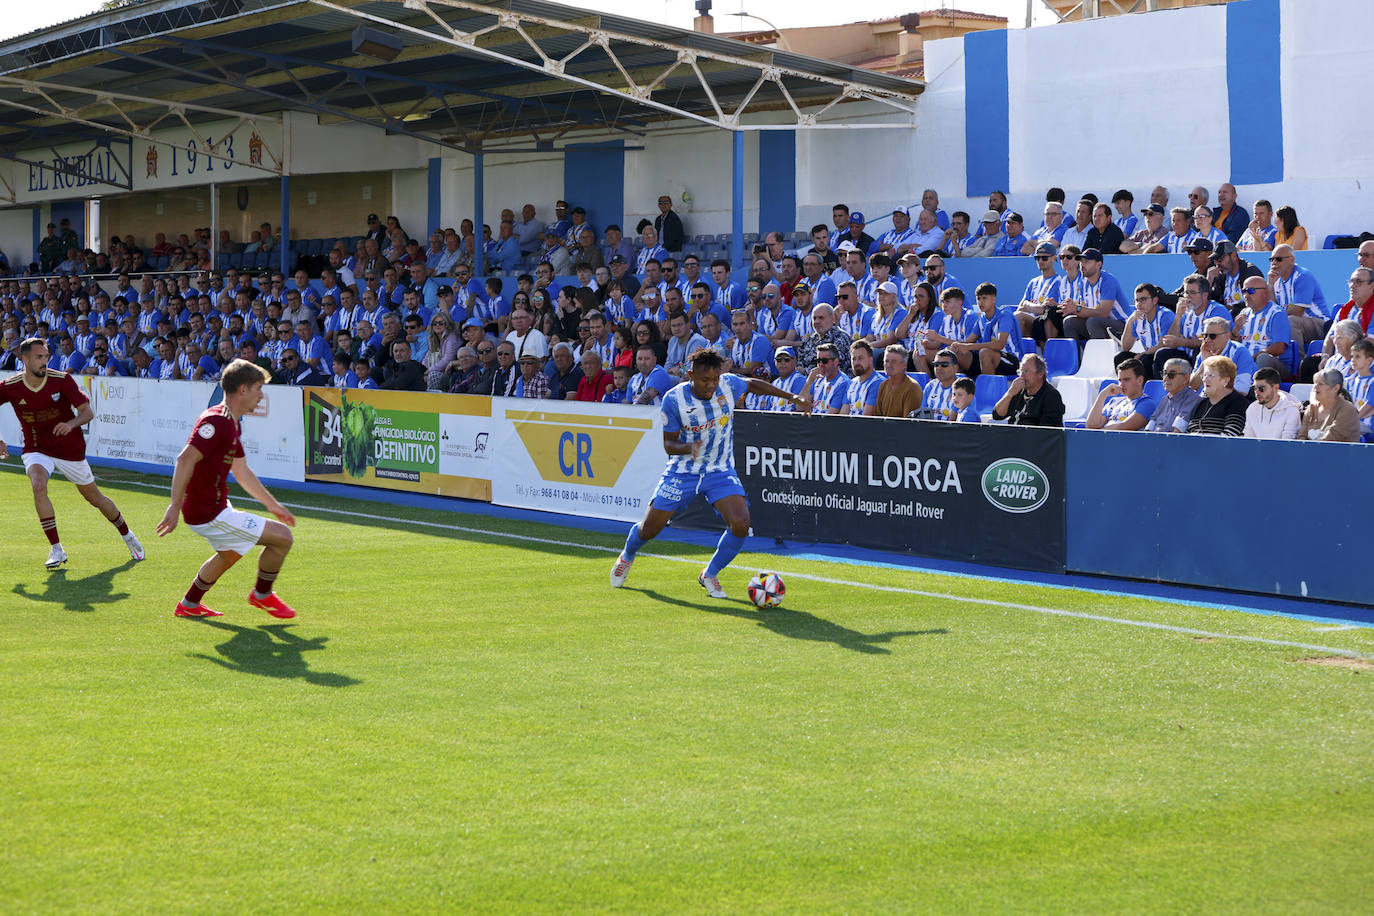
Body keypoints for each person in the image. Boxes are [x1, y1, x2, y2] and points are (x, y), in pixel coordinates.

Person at [609, 348, 810, 599]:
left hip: (719, 469)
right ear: (691, 375)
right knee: (649, 529)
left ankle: (710, 574)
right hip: (683, 471)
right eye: (705, 380)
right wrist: (687, 447)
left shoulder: (727, 385)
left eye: (715, 379)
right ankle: (627, 556)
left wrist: (794, 397)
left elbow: (753, 385)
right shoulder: (674, 400)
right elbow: (668, 444)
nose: (711, 385)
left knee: (741, 523)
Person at [156, 360, 297, 619]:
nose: (261, 395)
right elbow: (185, 458)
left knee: (229, 554)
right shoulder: (217, 421)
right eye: (257, 388)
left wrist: (273, 505)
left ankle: (188, 605)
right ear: (242, 390)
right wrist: (174, 506)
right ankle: (262, 595)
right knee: (282, 538)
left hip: (216, 507)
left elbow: (241, 471)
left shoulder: (232, 422)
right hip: (208, 513)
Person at [0, 338, 144, 568]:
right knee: (38, 484)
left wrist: (71, 424)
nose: (44, 362)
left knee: (94, 498)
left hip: (69, 449)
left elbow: (87, 412)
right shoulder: (10, 385)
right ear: (24, 359)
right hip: (36, 446)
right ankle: (56, 549)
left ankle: (128, 535)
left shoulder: (62, 380)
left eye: (46, 356)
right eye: (39, 357)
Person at [1267, 244, 1328, 355]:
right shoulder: (1276, 281)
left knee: (1291, 321)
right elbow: (1273, 309)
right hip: (1299, 324)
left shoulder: (1302, 276)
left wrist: (1276, 318)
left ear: (1291, 260)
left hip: (1319, 323)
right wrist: (1270, 286)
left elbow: (1297, 311)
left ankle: (1298, 360)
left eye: (1278, 259)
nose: (1274, 263)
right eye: (1271, 259)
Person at [1061, 248, 1129, 342]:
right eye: (1081, 261)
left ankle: (1101, 355)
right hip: (1100, 324)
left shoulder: (1107, 281)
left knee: (1093, 322)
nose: (1082, 265)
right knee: (1069, 321)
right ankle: (1076, 356)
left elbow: (1104, 313)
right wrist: (1070, 309)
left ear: (1098, 265)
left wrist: (1077, 308)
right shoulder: (1082, 283)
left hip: (1123, 326)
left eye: (1087, 261)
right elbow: (1085, 311)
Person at [1116, 284, 1176, 379]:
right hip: (1148, 355)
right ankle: (1126, 387)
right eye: (1136, 300)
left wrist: (1141, 355)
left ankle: (1150, 390)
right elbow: (1126, 346)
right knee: (1121, 357)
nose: (1139, 304)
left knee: (1145, 359)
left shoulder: (1165, 315)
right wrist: (1130, 320)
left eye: (1143, 299)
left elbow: (1163, 344)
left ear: (1155, 300)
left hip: (1168, 354)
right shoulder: (1137, 317)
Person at [1234, 278, 1291, 376]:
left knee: (1263, 358)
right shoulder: (1243, 313)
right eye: (1244, 291)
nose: (1246, 295)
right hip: (1245, 363)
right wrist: (1236, 329)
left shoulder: (1276, 313)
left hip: (1272, 365)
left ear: (1265, 292)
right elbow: (1233, 344)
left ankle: (1254, 388)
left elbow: (1279, 348)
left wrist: (1252, 358)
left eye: (1251, 291)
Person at [990, 353, 1064, 426]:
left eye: (1026, 371)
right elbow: (997, 415)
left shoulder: (1051, 396)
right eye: (1020, 372)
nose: (1022, 376)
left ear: (1040, 374)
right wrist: (1010, 393)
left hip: (1031, 436)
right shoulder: (1018, 390)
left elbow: (1047, 431)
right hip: (1012, 435)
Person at [1086, 358, 1156, 432]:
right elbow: (1091, 425)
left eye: (1126, 380)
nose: (1121, 384)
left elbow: (1123, 427)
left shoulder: (1147, 404)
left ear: (1140, 380)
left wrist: (1098, 430)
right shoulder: (1114, 402)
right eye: (1119, 380)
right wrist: (1103, 394)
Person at [1186, 355, 1248, 436]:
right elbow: (1187, 433)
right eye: (1204, 375)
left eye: (1210, 375)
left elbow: (1229, 437)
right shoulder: (1201, 403)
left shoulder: (1238, 403)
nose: (1205, 379)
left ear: (1225, 380)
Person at [1298, 368, 1361, 442]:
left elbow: (1329, 440)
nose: (1315, 387)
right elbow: (1301, 437)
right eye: (1315, 383)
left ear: (1336, 388)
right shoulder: (1311, 409)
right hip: (1311, 452)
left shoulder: (1347, 410)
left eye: (1320, 384)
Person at [1144, 358, 1203, 433]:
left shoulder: (1192, 399)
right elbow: (1149, 429)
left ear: (1186, 378)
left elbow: (1177, 433)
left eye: (1171, 374)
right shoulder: (1164, 400)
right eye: (1164, 373)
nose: (1166, 378)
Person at [1243, 367, 1301, 439]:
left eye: (1261, 389)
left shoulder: (1291, 411)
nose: (1257, 392)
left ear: (1275, 387)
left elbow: (1287, 444)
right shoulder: (1252, 408)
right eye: (1255, 388)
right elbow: (1248, 440)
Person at [874, 344, 922, 418]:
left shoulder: (912, 388)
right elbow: (877, 417)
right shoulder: (883, 385)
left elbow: (908, 423)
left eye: (894, 361)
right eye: (886, 361)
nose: (889, 365)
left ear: (904, 365)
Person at [920, 348, 963, 420]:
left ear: (955, 368)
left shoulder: (963, 387)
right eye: (936, 364)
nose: (939, 368)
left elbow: (956, 420)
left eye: (944, 364)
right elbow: (922, 415)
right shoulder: (930, 386)